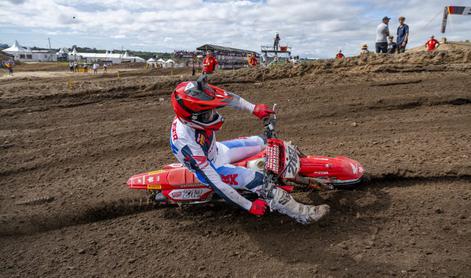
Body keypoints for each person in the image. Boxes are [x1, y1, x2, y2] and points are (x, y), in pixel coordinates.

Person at [170, 75, 330, 224]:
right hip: (213, 169)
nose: (213, 115)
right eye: (207, 115)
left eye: (213, 110)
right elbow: (217, 184)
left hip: (218, 150)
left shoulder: (197, 99)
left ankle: (301, 167)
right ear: (192, 119)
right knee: (261, 182)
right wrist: (249, 206)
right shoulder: (187, 145)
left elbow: (229, 98)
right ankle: (302, 215)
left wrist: (254, 109)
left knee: (266, 141)